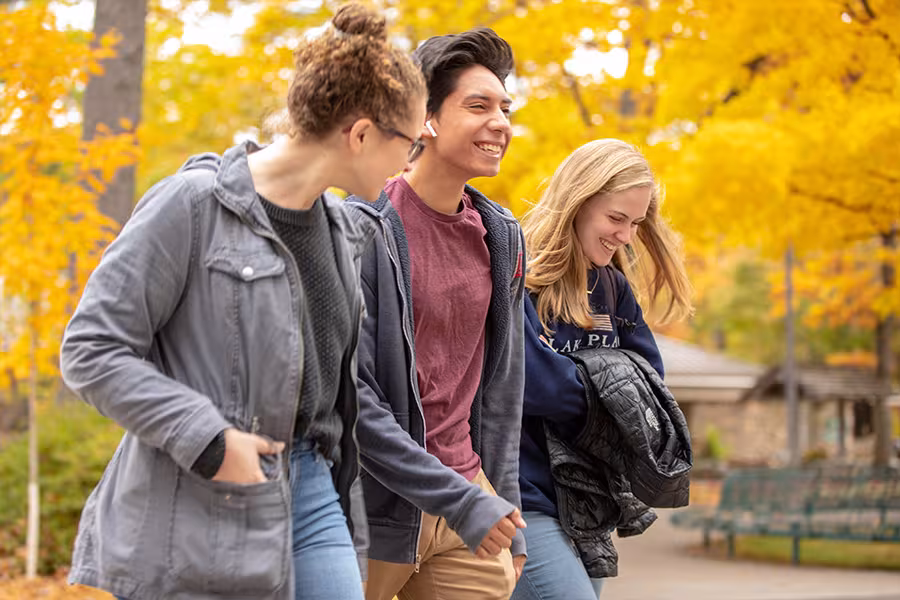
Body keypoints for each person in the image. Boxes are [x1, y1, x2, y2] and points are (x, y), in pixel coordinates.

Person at [58, 5, 426, 599]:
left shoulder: (343, 232)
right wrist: (208, 438)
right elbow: (91, 350)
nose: (410, 162)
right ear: (360, 134)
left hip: (310, 491)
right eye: (409, 143)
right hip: (196, 498)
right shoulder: (191, 204)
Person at [344, 27, 527, 600]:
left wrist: (505, 506)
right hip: (377, 502)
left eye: (505, 107)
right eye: (478, 105)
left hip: (469, 502)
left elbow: (501, 394)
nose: (500, 122)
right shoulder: (363, 227)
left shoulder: (502, 238)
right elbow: (353, 395)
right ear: (426, 118)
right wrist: (459, 498)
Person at [510, 139, 692, 600]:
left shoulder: (613, 288)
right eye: (616, 219)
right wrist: (607, 382)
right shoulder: (517, 276)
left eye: (634, 223)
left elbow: (649, 390)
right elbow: (534, 385)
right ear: (578, 201)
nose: (626, 236)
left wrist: (583, 381)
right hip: (520, 498)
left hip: (589, 507)